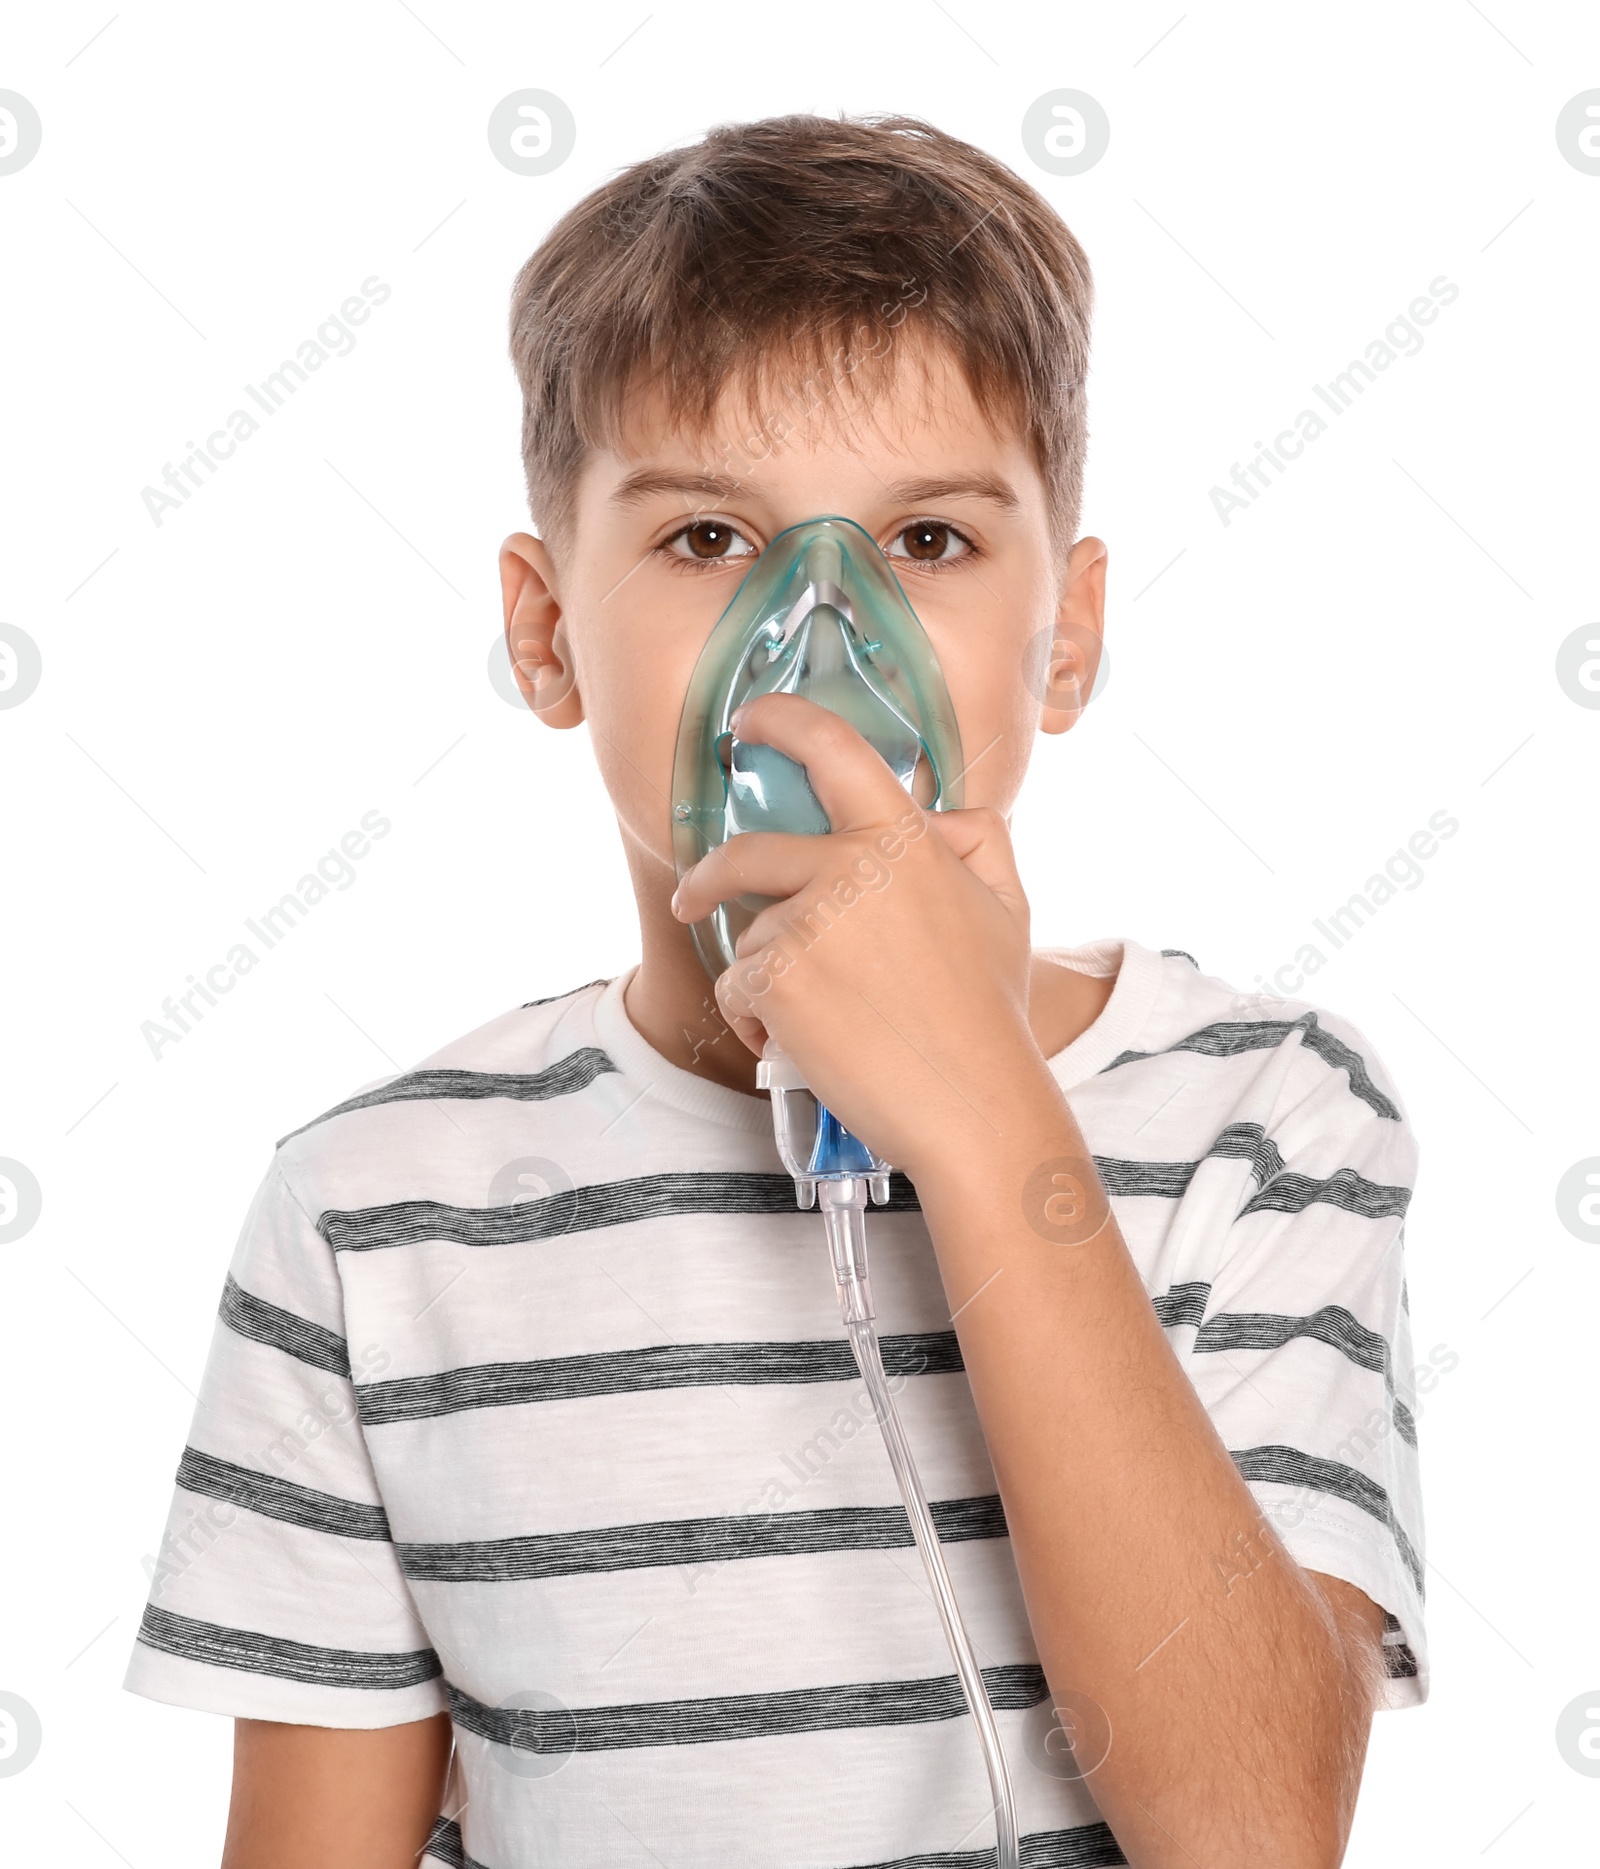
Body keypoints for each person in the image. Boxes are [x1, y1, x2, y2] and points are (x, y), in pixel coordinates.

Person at [125, 114, 1426, 1868]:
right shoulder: (377, 1219)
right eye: (709, 539)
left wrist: (978, 1116)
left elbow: (1254, 1831)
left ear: (1069, 635)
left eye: (935, 542)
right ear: (544, 628)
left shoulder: (1262, 1119)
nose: (819, 637)